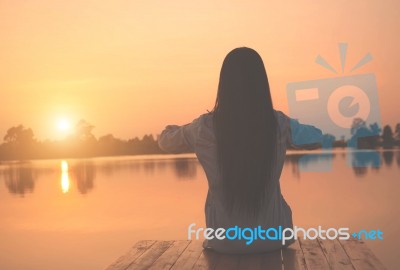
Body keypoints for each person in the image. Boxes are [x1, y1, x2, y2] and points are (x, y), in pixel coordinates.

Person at [158, 47, 323, 253]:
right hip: (272, 241)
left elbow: (165, 142)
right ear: (261, 85)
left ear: (224, 85)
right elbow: (317, 137)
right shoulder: (278, 124)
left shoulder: (203, 128)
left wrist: (172, 129)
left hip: (224, 243)